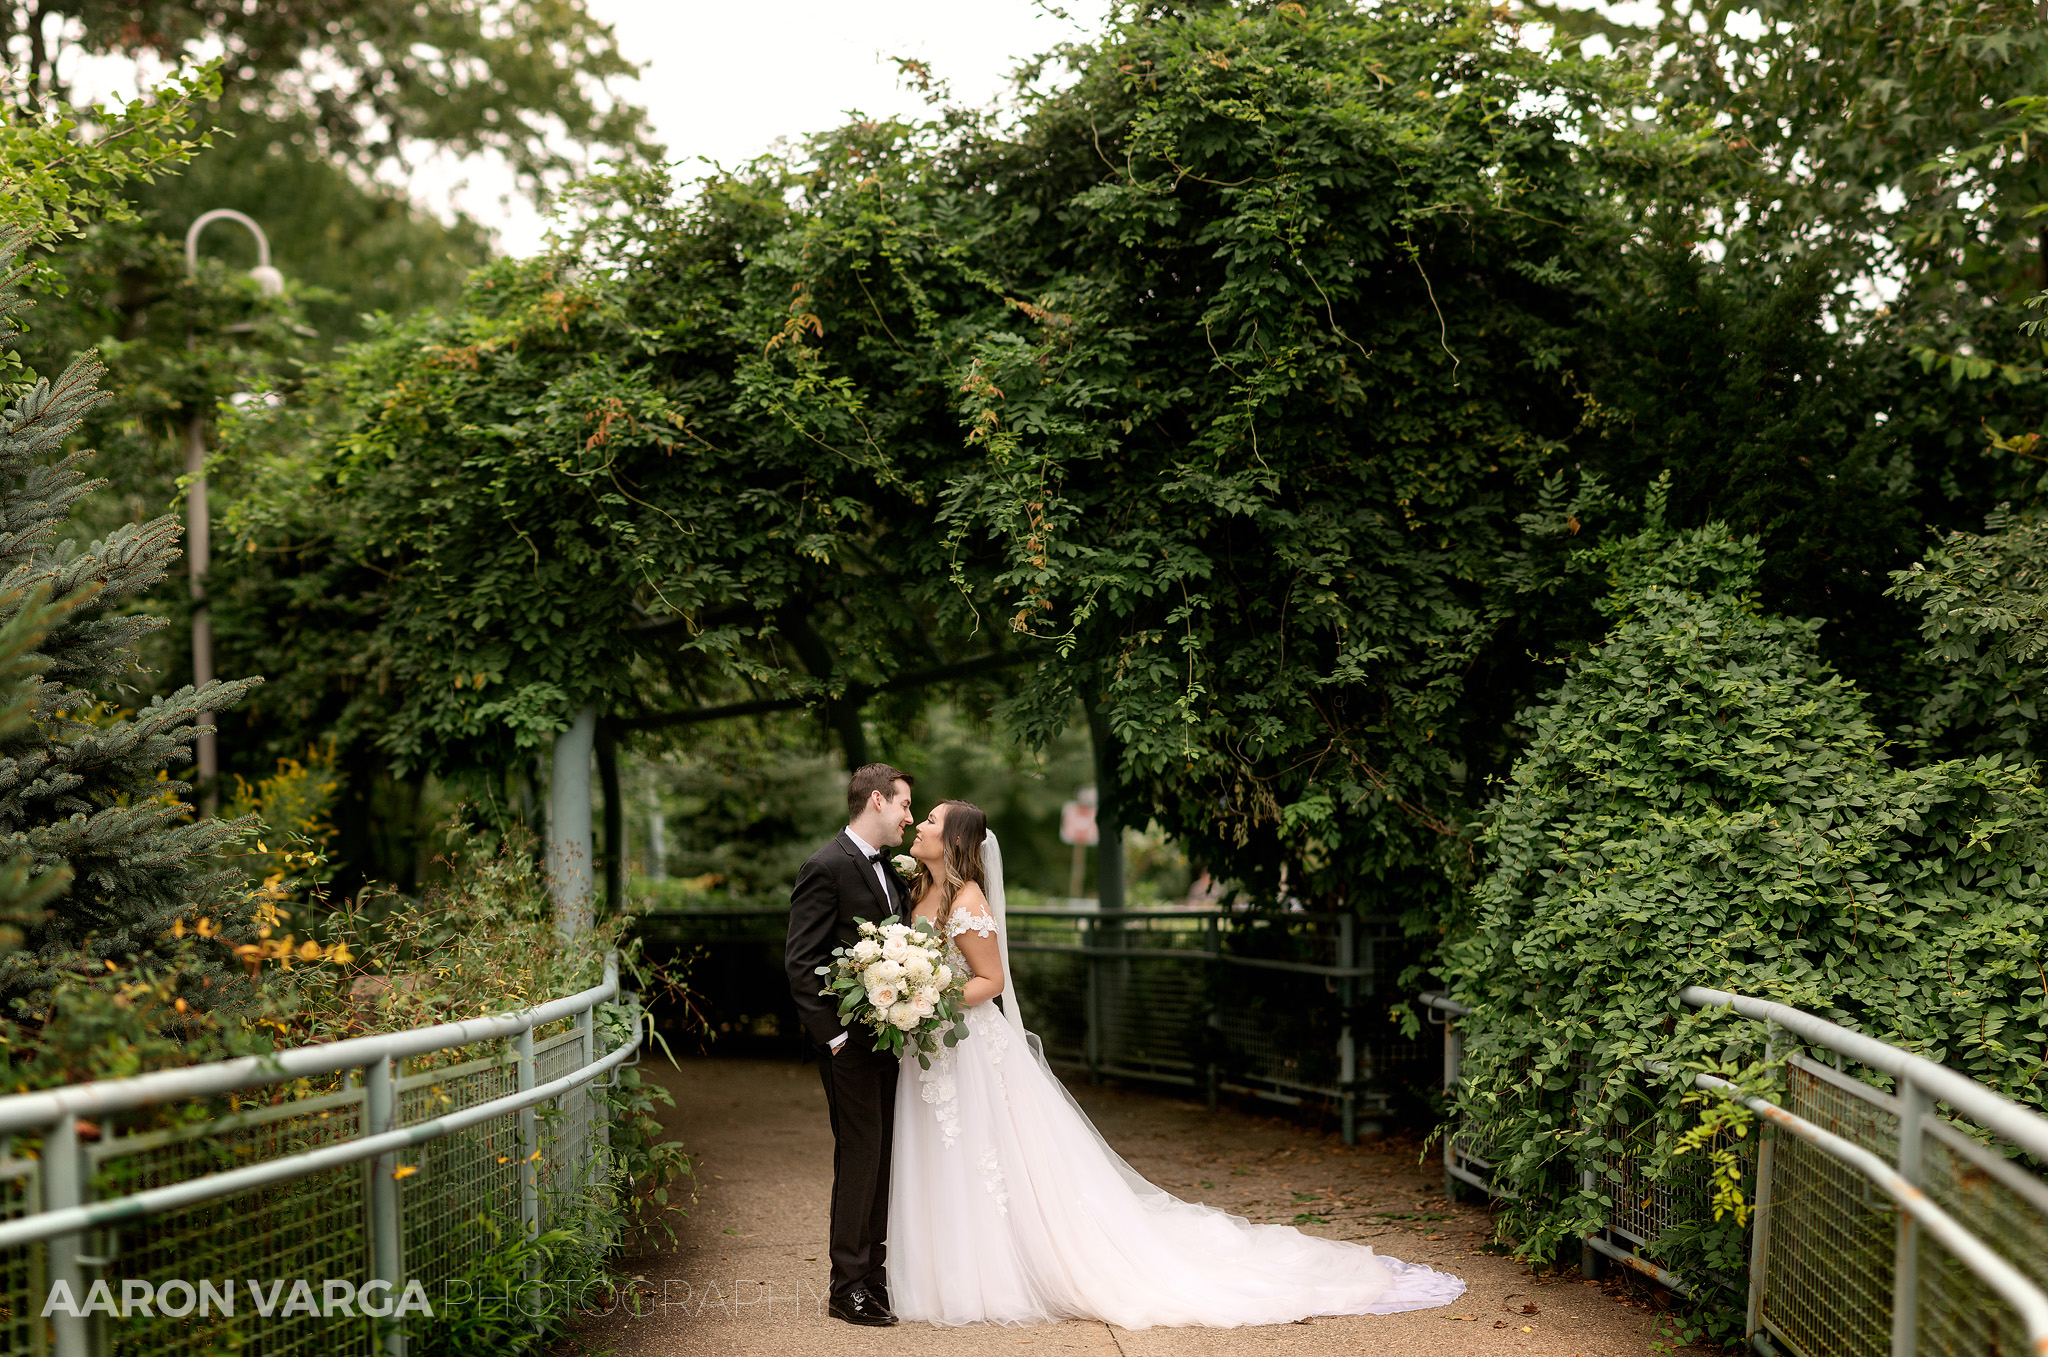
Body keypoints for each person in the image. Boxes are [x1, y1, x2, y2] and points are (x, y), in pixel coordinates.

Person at [886, 799, 1469, 1328]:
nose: (920, 827)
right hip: (936, 1047)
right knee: (948, 1153)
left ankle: (996, 1274)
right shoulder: (918, 894)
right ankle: (951, 1268)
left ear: (956, 842)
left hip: (968, 1043)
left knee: (990, 1157)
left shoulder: (969, 903)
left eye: (932, 821)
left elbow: (992, 980)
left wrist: (929, 999)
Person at [784, 763, 915, 1327]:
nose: (910, 816)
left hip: (887, 1040)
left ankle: (875, 1278)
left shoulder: (890, 869)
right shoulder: (826, 866)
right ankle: (847, 1287)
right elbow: (801, 962)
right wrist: (834, 1038)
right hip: (848, 1046)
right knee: (860, 1155)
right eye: (906, 805)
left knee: (884, 1155)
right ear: (879, 801)